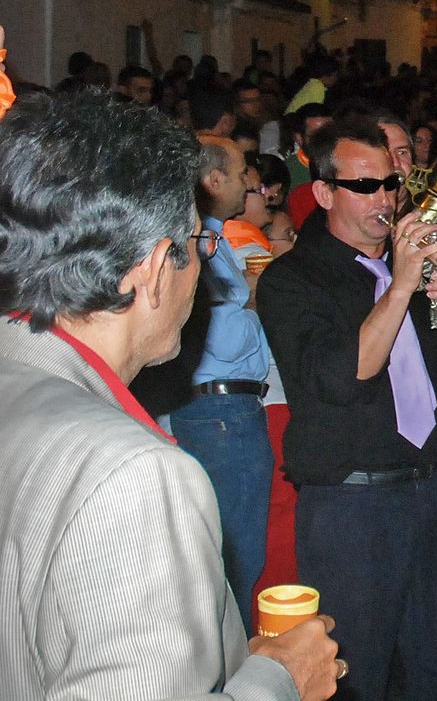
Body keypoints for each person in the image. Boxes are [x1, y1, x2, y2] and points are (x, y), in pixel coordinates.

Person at [0, 89, 340, 700]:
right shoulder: (132, 474)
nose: (201, 272)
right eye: (193, 245)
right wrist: (278, 679)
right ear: (157, 268)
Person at [256, 117, 437, 701]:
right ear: (324, 192)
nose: (386, 200)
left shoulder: (418, 272)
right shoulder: (293, 279)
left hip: (434, 483)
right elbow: (345, 377)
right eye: (365, 186)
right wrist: (400, 287)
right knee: (355, 675)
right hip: (353, 502)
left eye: (391, 185)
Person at [169, 136, 276, 628]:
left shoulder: (213, 239)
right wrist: (256, 301)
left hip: (221, 412)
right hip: (221, 415)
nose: (250, 182)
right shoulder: (198, 244)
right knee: (233, 561)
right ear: (212, 181)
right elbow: (222, 338)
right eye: (240, 174)